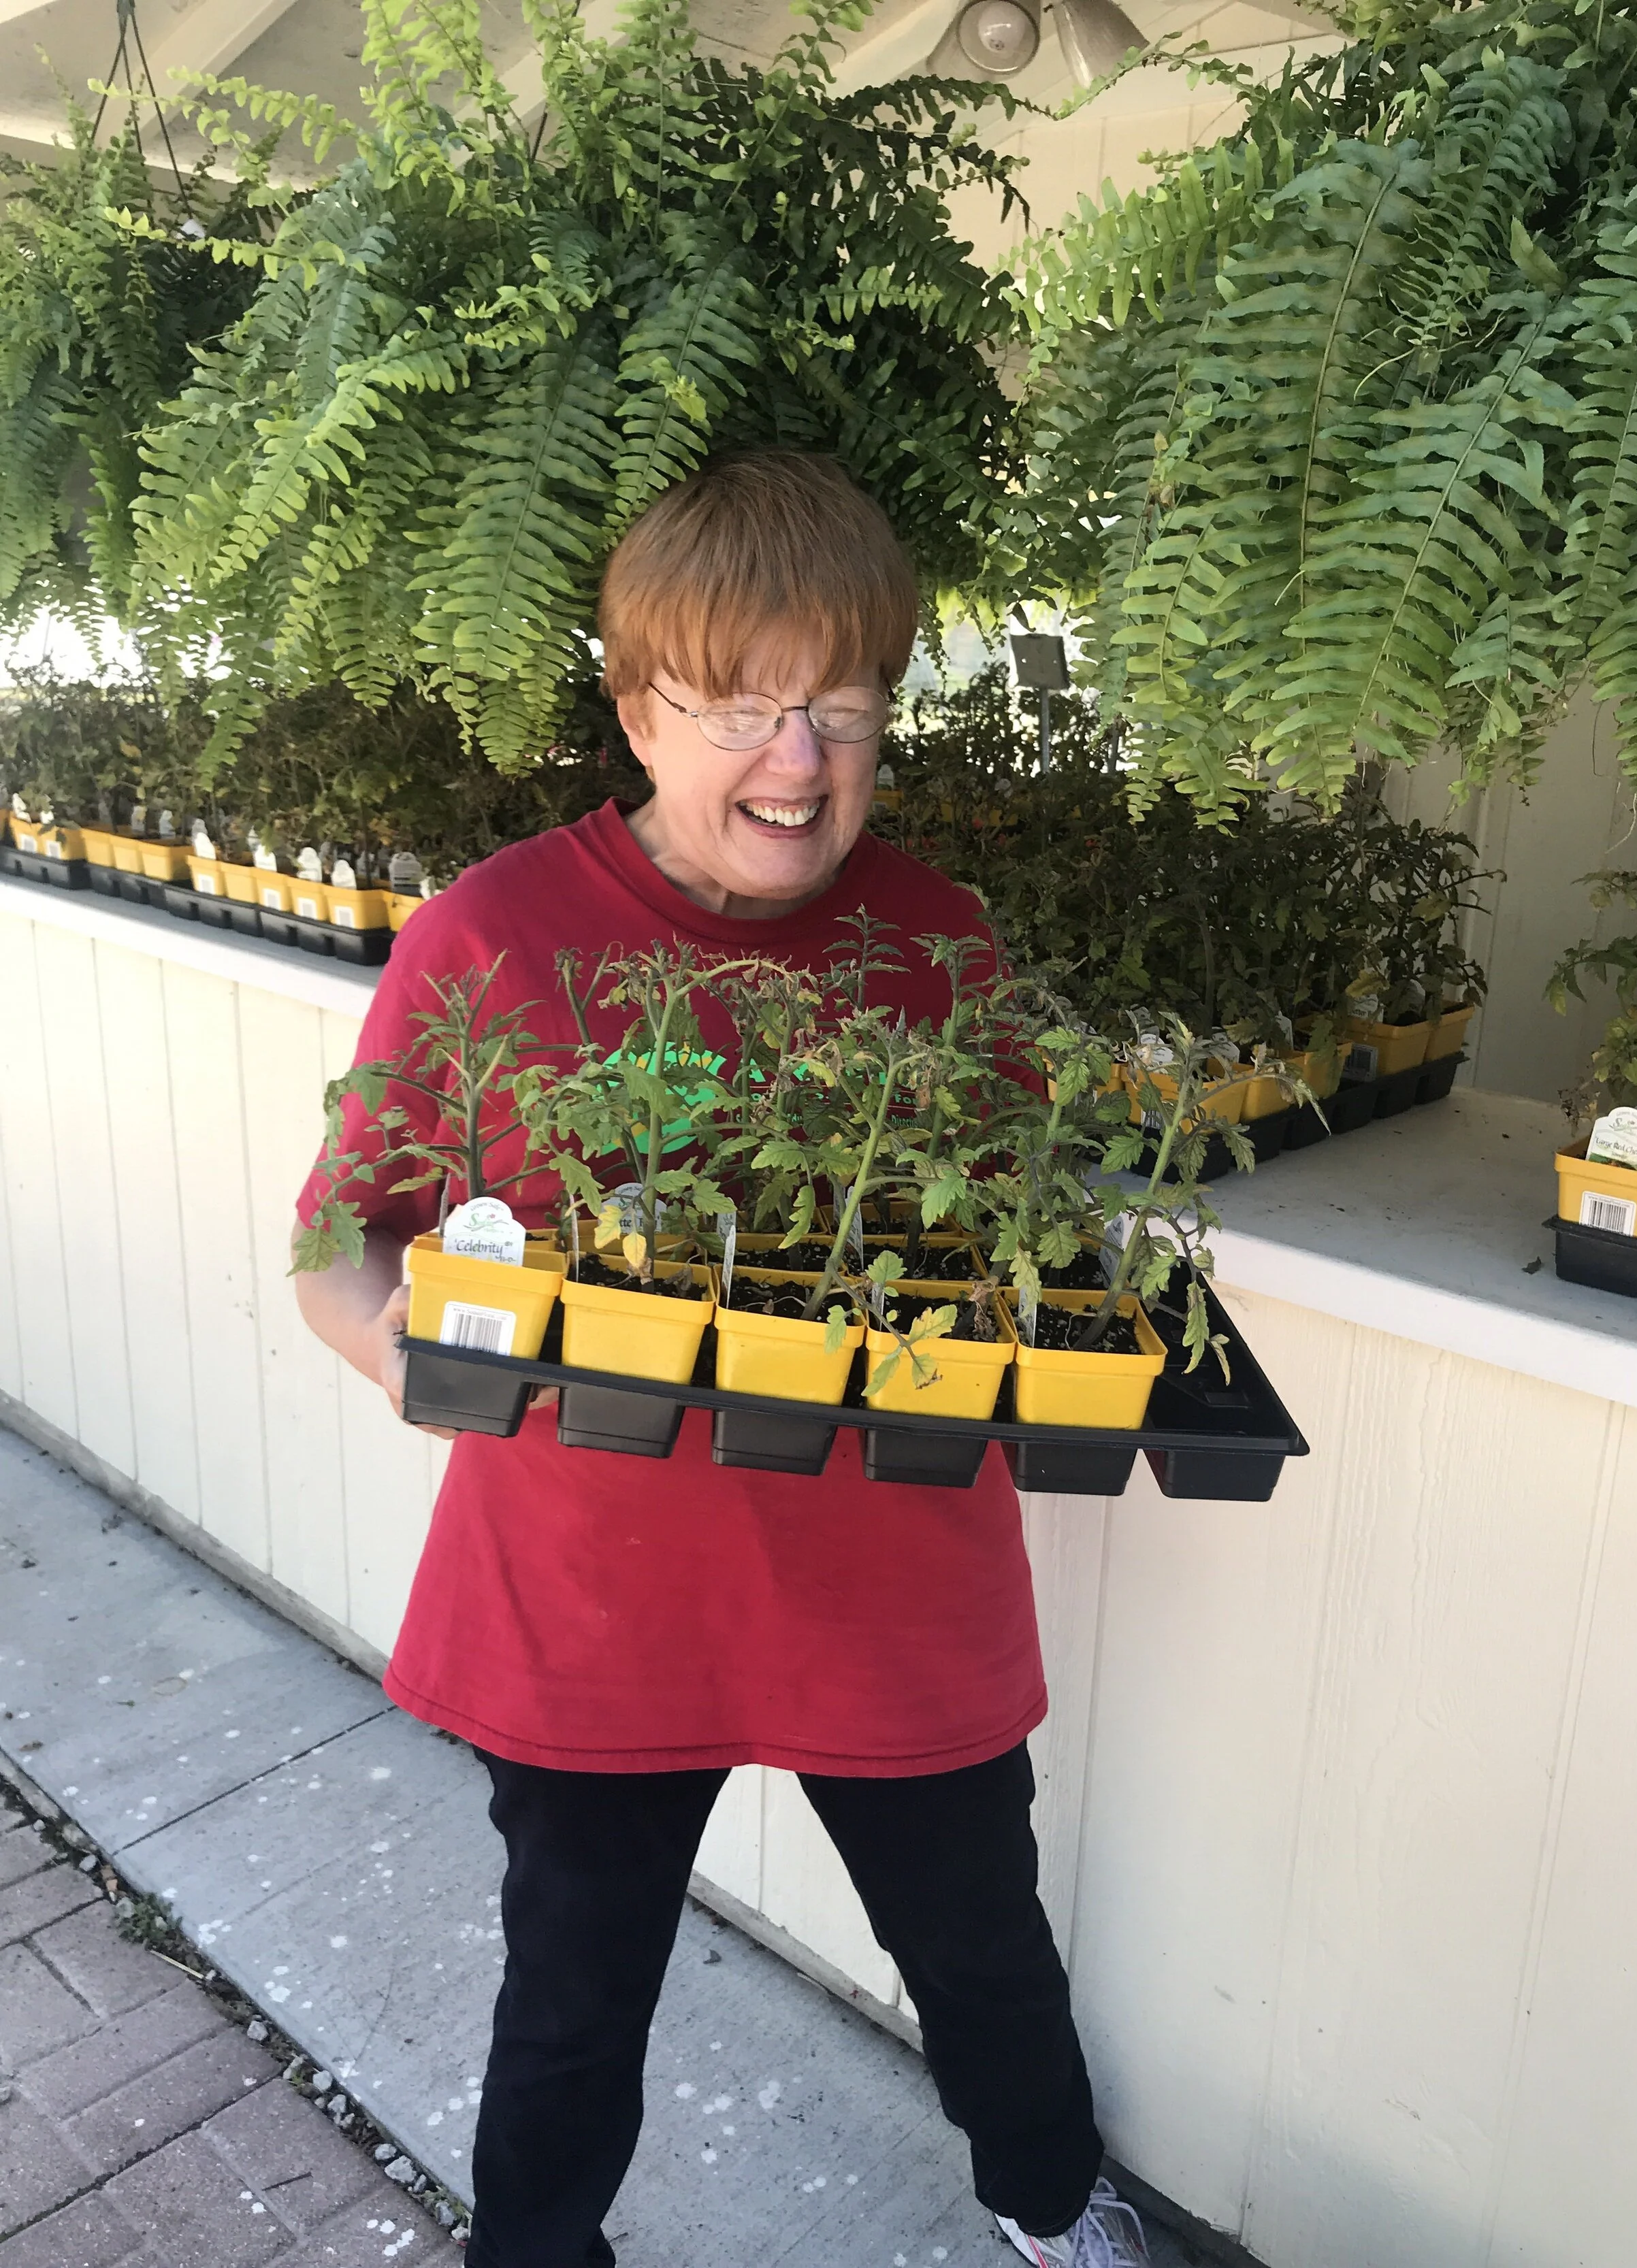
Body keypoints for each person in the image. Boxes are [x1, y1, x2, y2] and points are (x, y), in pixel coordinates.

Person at [293, 450, 1150, 2268]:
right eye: (741, 703)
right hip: (594, 1601)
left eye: (840, 705)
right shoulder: (490, 940)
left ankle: (1052, 2209)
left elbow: (1010, 1233)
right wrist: (421, 1360)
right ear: (634, 706)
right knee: (572, 2000)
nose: (798, 757)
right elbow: (333, 1238)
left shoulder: (937, 941)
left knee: (981, 1950)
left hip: (895, 1586)